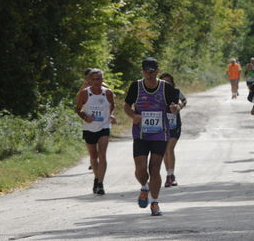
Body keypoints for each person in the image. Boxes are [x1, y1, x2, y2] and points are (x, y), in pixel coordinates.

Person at [124, 57, 180, 216]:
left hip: (160, 134)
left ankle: (155, 203)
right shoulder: (136, 86)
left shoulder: (166, 88)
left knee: (154, 169)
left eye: (152, 71)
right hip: (141, 134)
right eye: (146, 71)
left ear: (157, 71)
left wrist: (174, 108)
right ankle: (144, 187)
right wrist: (133, 115)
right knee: (140, 170)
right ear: (142, 71)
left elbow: (174, 107)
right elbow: (127, 106)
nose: (149, 74)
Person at [76, 68, 116, 195]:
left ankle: (100, 184)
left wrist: (111, 115)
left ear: (102, 80)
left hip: (104, 127)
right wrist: (86, 118)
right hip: (89, 128)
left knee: (102, 154)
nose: (96, 82)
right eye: (93, 79)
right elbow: (78, 109)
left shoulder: (108, 93)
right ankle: (96, 177)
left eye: (98, 79)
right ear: (89, 80)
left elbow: (112, 106)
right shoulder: (84, 93)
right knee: (93, 157)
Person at [78, 68, 110, 171]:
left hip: (103, 122)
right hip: (89, 121)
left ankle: (98, 166)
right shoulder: (85, 88)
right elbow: (78, 100)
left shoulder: (104, 87)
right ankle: (93, 160)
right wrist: (85, 116)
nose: (93, 81)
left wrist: (110, 114)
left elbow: (111, 99)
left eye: (97, 79)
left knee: (101, 151)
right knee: (93, 151)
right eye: (90, 78)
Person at [159, 73, 187, 188]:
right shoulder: (157, 93)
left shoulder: (176, 92)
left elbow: (183, 101)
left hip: (174, 125)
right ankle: (169, 175)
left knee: (169, 148)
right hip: (161, 125)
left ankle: (171, 176)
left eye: (169, 81)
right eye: (164, 82)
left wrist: (179, 107)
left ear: (172, 82)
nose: (167, 84)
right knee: (165, 151)